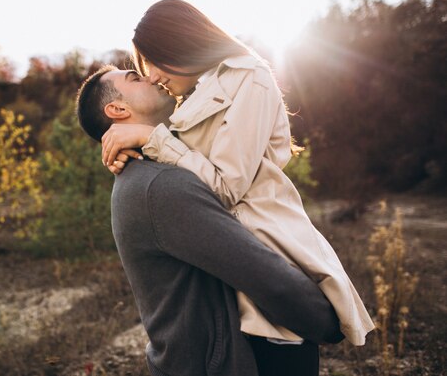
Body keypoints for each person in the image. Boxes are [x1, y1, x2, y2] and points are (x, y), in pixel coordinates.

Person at [100, 0, 375, 373]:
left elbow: (225, 187)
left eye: (152, 62)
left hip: (269, 259)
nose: (151, 77)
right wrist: (131, 149)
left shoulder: (249, 76)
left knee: (284, 351)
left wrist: (151, 138)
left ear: (177, 44)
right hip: (236, 283)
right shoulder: (192, 95)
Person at [76, 66, 344, 376]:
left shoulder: (148, 175)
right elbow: (260, 271)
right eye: (135, 78)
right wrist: (327, 320)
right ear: (117, 109)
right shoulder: (160, 186)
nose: (151, 77)